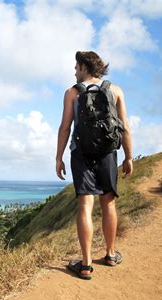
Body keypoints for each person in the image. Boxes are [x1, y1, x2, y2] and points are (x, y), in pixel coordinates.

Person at [55, 51, 133, 280]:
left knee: (85, 205)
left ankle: (86, 264)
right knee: (108, 203)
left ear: (84, 67)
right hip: (108, 153)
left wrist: (58, 157)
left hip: (81, 153)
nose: (74, 71)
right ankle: (110, 254)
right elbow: (125, 126)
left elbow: (65, 127)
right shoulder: (115, 90)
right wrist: (128, 156)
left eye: (76, 67)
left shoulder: (72, 92)